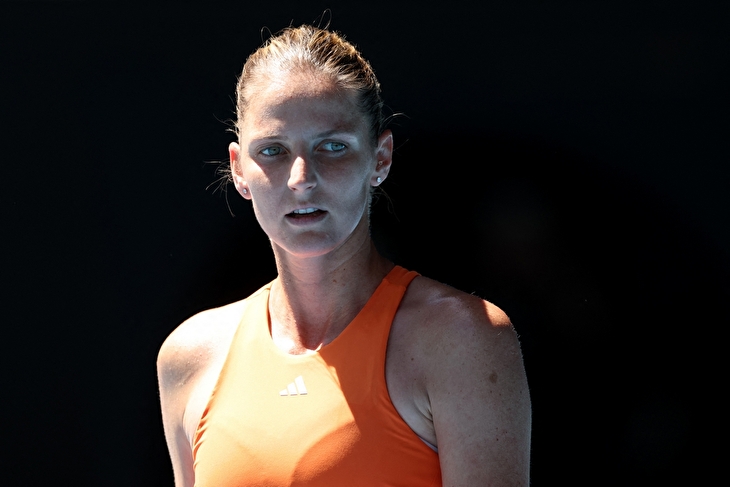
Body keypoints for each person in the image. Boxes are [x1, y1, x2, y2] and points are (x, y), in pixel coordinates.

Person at [157, 22, 531, 486]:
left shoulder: (462, 340)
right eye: (272, 150)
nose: (301, 178)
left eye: (332, 147)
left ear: (380, 158)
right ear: (239, 169)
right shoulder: (190, 358)